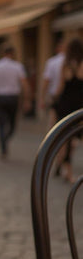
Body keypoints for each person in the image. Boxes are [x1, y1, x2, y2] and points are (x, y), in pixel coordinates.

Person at [0, 44, 30, 159]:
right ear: (13, 53)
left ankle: (3, 145)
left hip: (0, 98)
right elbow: (24, 84)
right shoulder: (18, 66)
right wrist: (27, 100)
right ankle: (5, 141)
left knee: (1, 124)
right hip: (13, 98)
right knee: (12, 124)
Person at [52, 37, 83, 183]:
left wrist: (52, 98)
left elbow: (61, 87)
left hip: (65, 105)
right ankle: (65, 169)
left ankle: (66, 169)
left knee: (66, 138)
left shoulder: (66, 64)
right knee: (75, 138)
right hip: (79, 106)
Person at [39, 39, 66, 131]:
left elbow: (46, 81)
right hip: (67, 96)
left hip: (54, 95)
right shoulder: (71, 62)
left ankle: (53, 142)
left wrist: (42, 97)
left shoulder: (52, 62)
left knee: (53, 123)